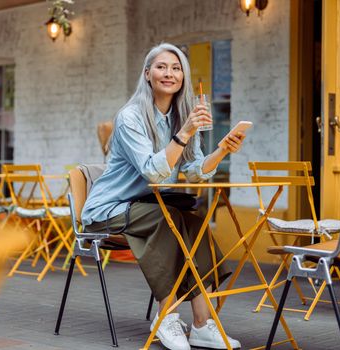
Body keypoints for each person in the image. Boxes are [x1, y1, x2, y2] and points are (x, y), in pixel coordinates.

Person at [81, 43, 245, 350]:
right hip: (108, 208)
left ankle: (201, 324)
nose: (169, 73)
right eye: (161, 67)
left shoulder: (181, 115)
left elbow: (196, 171)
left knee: (194, 222)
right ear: (147, 74)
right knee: (165, 219)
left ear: (183, 76)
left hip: (147, 205)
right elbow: (152, 173)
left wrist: (222, 148)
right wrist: (183, 134)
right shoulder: (130, 117)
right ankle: (166, 317)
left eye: (176, 67)